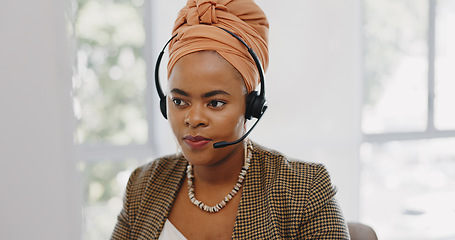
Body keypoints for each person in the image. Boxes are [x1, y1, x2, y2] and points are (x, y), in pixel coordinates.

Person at [111, 0, 350, 239]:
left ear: (250, 106)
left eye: (215, 103)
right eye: (179, 101)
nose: (193, 119)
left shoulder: (304, 190)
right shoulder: (144, 185)